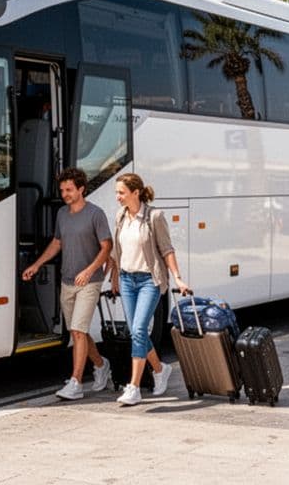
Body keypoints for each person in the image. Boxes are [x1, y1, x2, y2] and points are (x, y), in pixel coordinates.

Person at [21, 167, 114, 401]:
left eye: (69, 189)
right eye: (62, 190)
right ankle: (101, 365)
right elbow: (57, 242)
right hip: (67, 280)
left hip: (89, 281)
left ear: (81, 189)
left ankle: (76, 382)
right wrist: (37, 264)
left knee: (79, 331)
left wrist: (90, 270)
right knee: (76, 330)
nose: (65, 194)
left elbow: (107, 247)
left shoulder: (96, 214)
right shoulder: (62, 213)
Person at [108, 172, 190, 406]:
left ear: (136, 193)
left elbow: (167, 250)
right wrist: (114, 278)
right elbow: (117, 251)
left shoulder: (154, 217)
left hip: (148, 282)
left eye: (121, 192)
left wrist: (178, 278)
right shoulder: (120, 216)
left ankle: (133, 387)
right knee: (137, 332)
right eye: (116, 192)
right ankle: (159, 369)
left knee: (139, 330)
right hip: (126, 280)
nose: (118, 197)